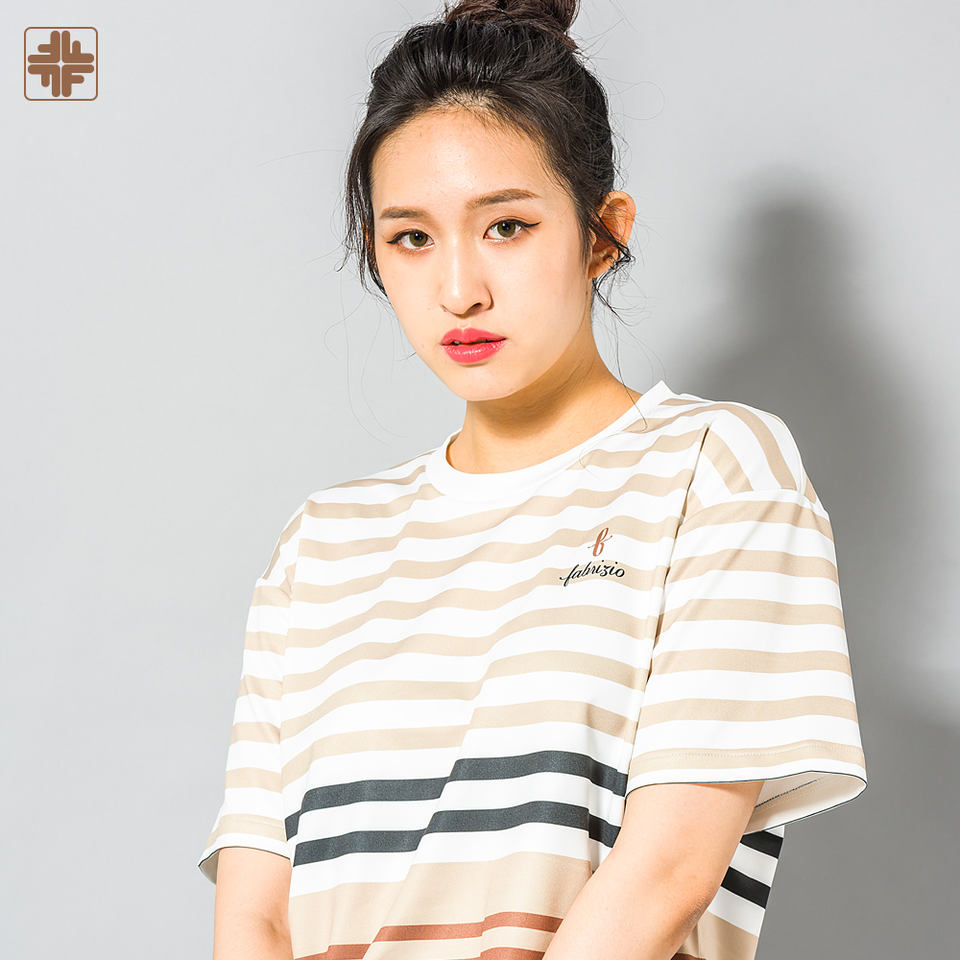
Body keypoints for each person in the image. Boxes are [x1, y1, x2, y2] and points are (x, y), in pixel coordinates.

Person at [197, 2, 868, 958]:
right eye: (411, 238)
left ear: (603, 234)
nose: (459, 290)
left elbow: (667, 874)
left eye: (505, 226)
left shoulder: (715, 470)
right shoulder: (322, 545)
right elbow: (256, 915)